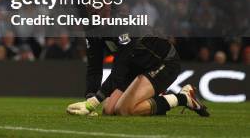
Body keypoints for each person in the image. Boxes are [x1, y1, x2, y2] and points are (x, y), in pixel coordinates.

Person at [66, 34, 209, 117]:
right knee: (108, 110)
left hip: (162, 61)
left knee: (124, 110)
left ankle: (183, 98)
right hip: (136, 66)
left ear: (107, 7)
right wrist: (90, 97)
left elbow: (119, 69)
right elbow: (94, 68)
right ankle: (154, 100)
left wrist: (93, 103)